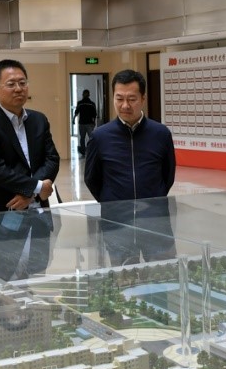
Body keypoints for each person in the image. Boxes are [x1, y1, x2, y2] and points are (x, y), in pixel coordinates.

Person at [0, 60, 60, 280]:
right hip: (3, 217)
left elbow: (52, 159)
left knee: (37, 277)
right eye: (11, 84)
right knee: (2, 278)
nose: (19, 89)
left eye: (23, 82)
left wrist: (31, 194)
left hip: (38, 215)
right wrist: (37, 187)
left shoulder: (39, 120)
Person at [84, 70, 177, 265]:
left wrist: (153, 198)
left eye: (132, 99)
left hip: (155, 223)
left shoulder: (160, 134)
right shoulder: (100, 137)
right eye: (119, 99)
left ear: (143, 98)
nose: (125, 105)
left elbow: (168, 175)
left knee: (163, 275)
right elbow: (92, 179)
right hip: (117, 225)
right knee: (123, 279)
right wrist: (112, 202)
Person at [74, 89, 98, 156]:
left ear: (83, 95)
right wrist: (94, 122)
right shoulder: (92, 104)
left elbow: (76, 112)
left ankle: (83, 152)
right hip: (90, 123)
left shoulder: (80, 103)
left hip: (82, 123)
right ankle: (91, 151)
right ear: (89, 95)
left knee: (82, 138)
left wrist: (73, 120)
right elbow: (94, 114)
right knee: (91, 138)